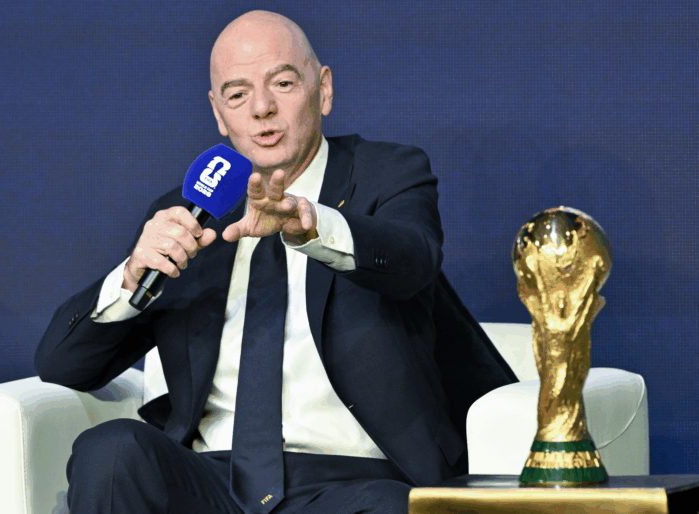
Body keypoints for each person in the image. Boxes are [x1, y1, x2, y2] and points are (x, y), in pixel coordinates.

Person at [35, 10, 516, 514]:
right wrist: (132, 275)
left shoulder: (387, 174)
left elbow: (413, 259)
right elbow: (62, 364)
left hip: (354, 480)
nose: (261, 108)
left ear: (323, 90)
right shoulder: (188, 215)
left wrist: (313, 228)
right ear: (219, 113)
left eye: (282, 83)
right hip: (214, 480)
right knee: (110, 451)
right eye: (238, 94)